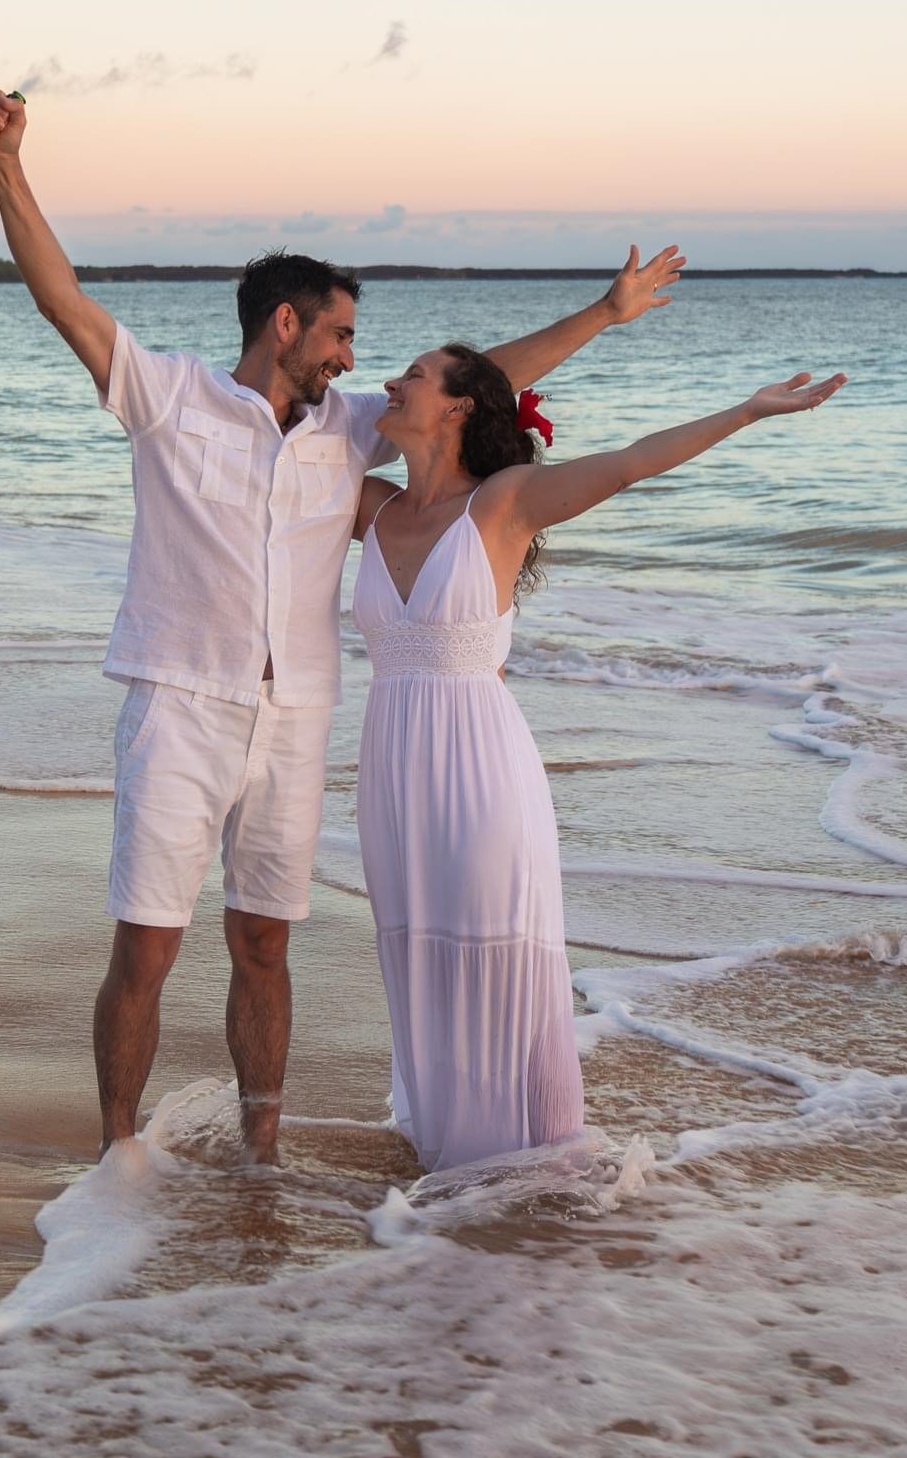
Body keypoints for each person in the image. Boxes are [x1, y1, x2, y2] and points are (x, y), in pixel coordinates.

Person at [0, 87, 686, 1161]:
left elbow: (482, 389)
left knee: (263, 942)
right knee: (148, 947)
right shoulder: (168, 396)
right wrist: (8, 170)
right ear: (285, 324)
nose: (354, 356)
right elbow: (61, 298)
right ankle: (116, 1150)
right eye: (342, 332)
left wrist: (602, 314)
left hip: (296, 720)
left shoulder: (348, 434)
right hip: (180, 703)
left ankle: (262, 1150)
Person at [350, 342, 846, 1172]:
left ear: (460, 406)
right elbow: (268, 471)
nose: (392, 386)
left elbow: (627, 465)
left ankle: (515, 1172)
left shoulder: (503, 503)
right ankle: (447, 1171)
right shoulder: (370, 509)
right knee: (420, 955)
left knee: (488, 952)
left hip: (480, 770)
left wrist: (747, 411)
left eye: (414, 377)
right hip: (390, 771)